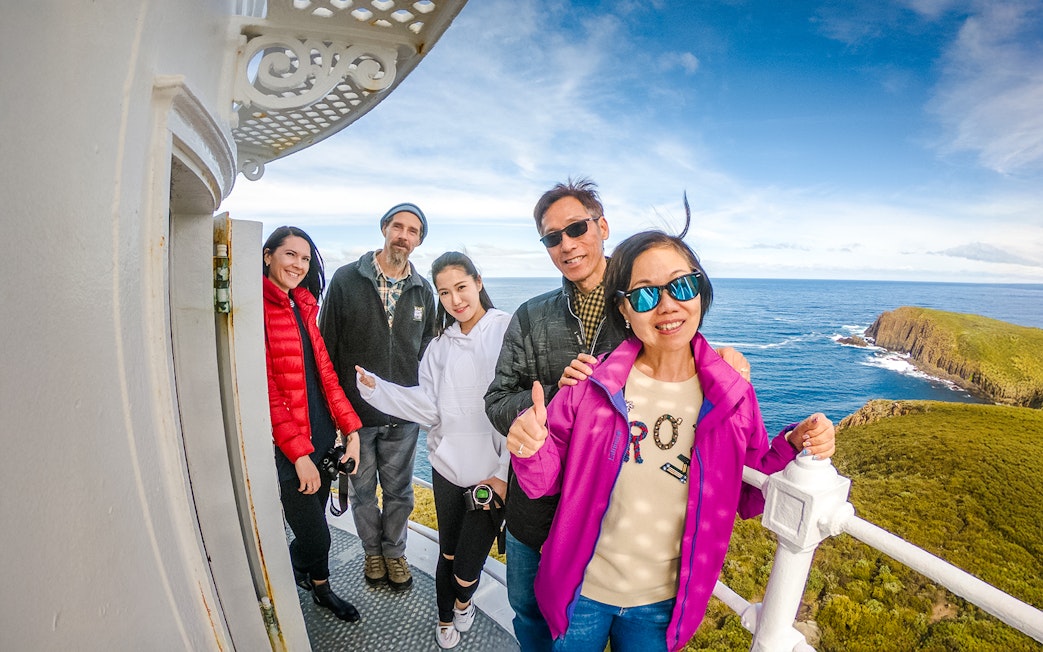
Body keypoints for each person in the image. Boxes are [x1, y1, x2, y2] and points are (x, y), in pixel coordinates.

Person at [506, 218, 838, 651]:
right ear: (622, 310)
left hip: (662, 605)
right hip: (581, 591)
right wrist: (530, 447)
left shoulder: (733, 397)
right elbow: (543, 481)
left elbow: (750, 491)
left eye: (681, 286)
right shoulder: (593, 385)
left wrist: (794, 444)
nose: (666, 306)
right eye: (644, 295)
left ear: (700, 291)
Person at [484, 178, 750, 650]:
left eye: (576, 228)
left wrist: (723, 361)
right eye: (552, 237)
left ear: (602, 226)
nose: (566, 244)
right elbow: (497, 399)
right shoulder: (530, 316)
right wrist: (541, 408)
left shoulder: (643, 299)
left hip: (611, 525)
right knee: (529, 617)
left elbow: (683, 354)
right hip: (536, 509)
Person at [355, 252, 511, 649]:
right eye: (445, 292)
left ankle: (463, 600)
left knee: (467, 564)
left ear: (478, 282)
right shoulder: (439, 347)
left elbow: (520, 405)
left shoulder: (506, 330)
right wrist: (379, 389)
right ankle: (446, 618)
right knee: (448, 554)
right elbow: (427, 406)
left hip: (492, 473)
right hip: (446, 466)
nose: (455, 300)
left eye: (461, 287)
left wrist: (507, 471)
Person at [319, 203, 437, 592]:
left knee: (401, 492)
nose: (404, 235)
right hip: (356, 416)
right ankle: (373, 552)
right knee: (363, 490)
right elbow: (327, 349)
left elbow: (428, 353)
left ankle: (394, 552)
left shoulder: (423, 291)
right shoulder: (345, 280)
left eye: (413, 231)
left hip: (403, 416)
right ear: (384, 228)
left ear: (419, 240)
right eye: (398, 226)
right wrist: (336, 415)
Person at [262, 226, 363, 622]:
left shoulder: (303, 307)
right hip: (292, 448)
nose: (298, 265)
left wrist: (350, 432)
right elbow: (267, 393)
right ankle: (302, 581)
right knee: (316, 536)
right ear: (268, 255)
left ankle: (313, 583)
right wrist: (298, 454)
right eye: (290, 255)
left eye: (305, 259)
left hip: (322, 438)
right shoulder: (257, 311)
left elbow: (327, 378)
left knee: (316, 526)